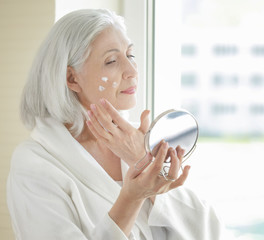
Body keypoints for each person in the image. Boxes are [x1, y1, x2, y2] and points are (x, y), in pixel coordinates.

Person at [7, 9, 227, 240]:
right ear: (72, 79)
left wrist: (142, 160)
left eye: (130, 55)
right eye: (111, 61)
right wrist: (132, 197)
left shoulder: (137, 142)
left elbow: (210, 231)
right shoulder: (35, 164)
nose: (132, 71)